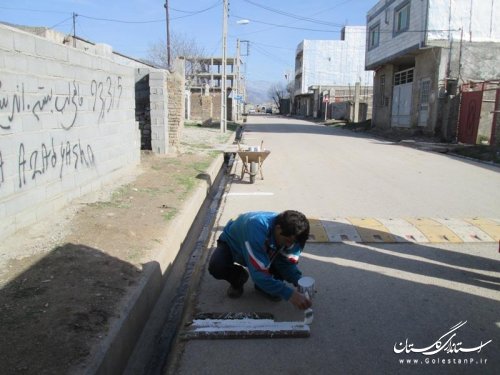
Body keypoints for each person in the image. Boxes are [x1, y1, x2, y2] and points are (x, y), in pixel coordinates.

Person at [208, 210, 312, 310]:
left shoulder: (294, 235)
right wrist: (290, 294)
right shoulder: (256, 228)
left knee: (272, 284)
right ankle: (238, 278)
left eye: (293, 242)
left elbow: (286, 262)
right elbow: (259, 273)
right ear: (278, 228)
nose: (289, 245)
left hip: (261, 248)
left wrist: (298, 281)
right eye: (288, 240)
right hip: (234, 245)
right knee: (217, 266)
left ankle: (262, 287)